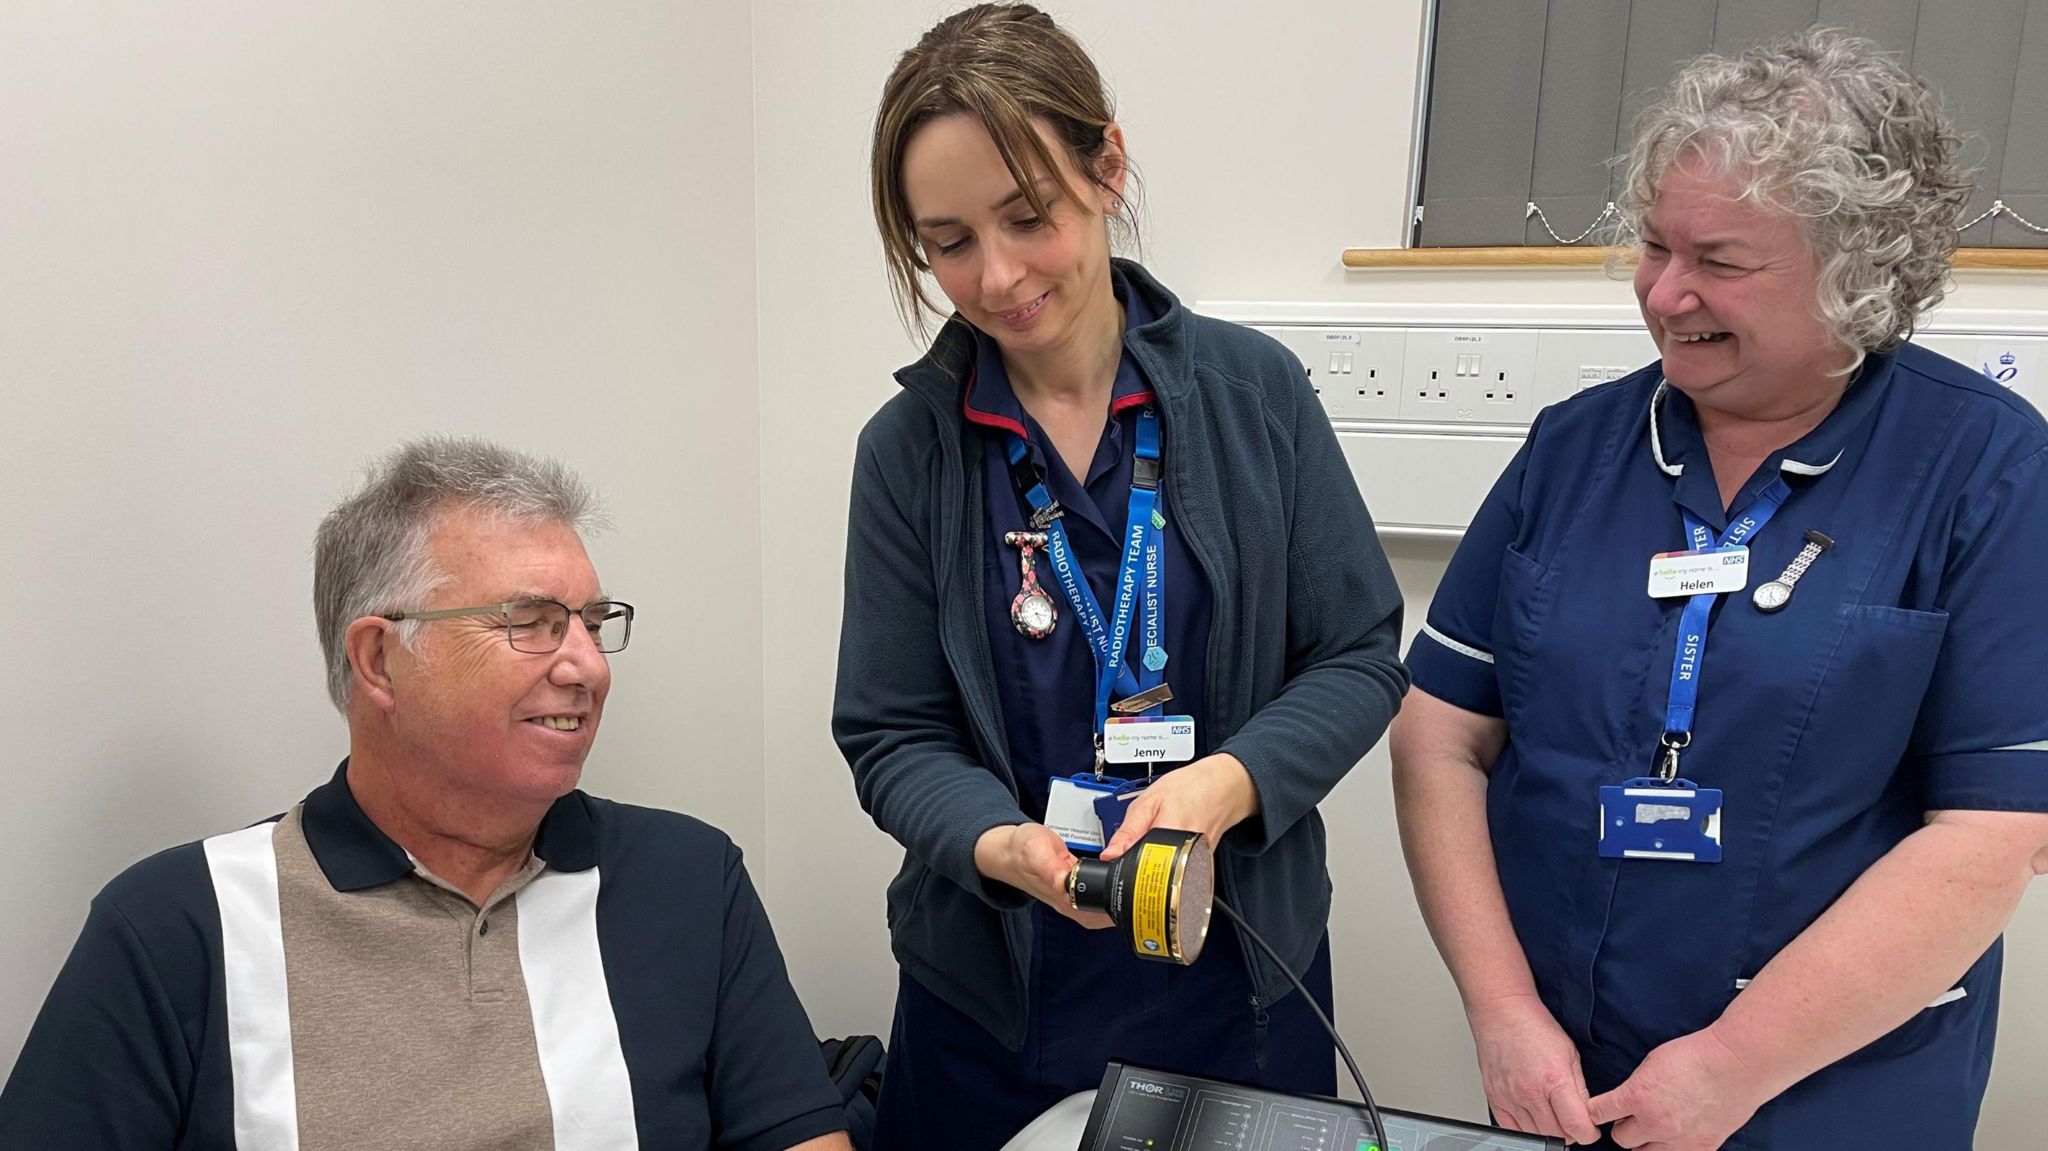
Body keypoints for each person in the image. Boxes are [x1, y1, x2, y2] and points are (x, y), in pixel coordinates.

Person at [1392, 28, 2048, 1151]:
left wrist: (1731, 1067)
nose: (1663, 291)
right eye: (1652, 244)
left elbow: (1993, 832)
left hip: (1830, 1089)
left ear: (1857, 271)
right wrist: (1500, 1012)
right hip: (1560, 1065)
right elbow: (1437, 736)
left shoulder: (1984, 468)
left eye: (1720, 260)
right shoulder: (1573, 448)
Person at [833, 6, 1408, 1149]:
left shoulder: (1254, 397)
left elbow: (1355, 655)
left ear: (1106, 165)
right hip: (994, 986)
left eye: (1026, 216)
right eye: (947, 242)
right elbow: (891, 733)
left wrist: (1225, 784)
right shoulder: (909, 450)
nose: (993, 277)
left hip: (1233, 972)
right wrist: (998, 845)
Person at [0, 438, 853, 1151]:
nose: (587, 666)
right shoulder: (180, 924)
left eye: (593, 623)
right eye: (532, 621)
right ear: (378, 659)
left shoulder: (687, 881)